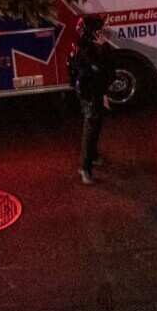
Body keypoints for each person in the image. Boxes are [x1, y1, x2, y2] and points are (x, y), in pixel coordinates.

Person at [68, 15, 113, 185]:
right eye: (100, 30)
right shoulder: (86, 50)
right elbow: (100, 68)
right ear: (92, 33)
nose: (103, 33)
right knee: (91, 127)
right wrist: (103, 48)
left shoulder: (93, 46)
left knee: (97, 124)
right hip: (90, 94)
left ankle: (92, 156)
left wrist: (104, 93)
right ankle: (85, 168)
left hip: (97, 92)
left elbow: (106, 72)